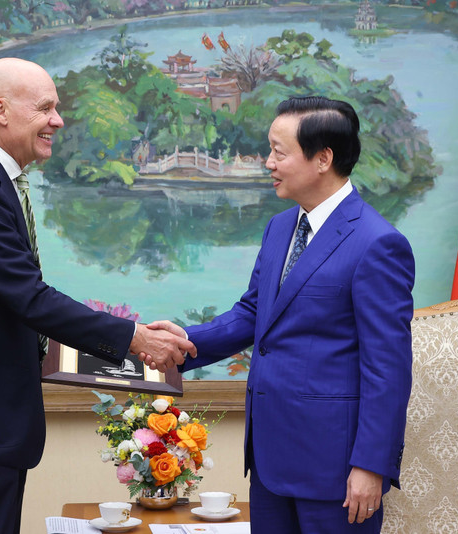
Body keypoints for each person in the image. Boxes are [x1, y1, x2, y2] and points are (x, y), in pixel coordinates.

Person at [0, 58, 195, 534]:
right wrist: (133, 337)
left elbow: (13, 302)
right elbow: (30, 299)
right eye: (45, 108)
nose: (58, 120)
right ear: (0, 110)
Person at [147, 96, 415, 533]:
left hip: (336, 470)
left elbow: (388, 369)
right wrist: (184, 342)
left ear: (323, 158)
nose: (267, 162)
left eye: (278, 151)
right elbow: (256, 313)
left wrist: (371, 466)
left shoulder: (377, 244)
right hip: (271, 462)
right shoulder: (280, 227)